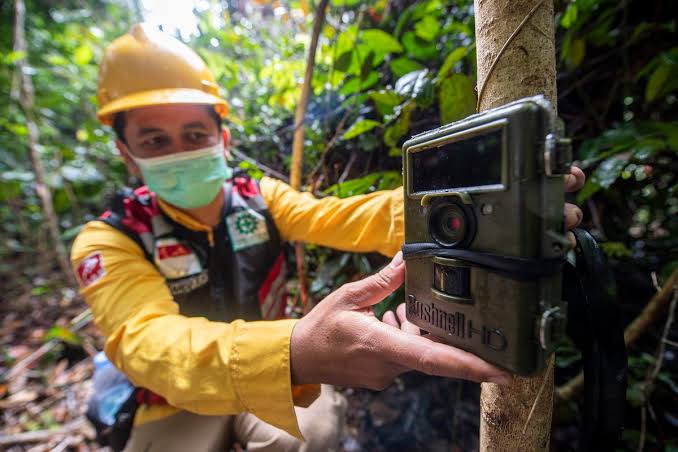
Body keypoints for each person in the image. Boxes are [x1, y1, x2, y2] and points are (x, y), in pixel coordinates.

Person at [71, 24, 585, 452]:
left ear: (221, 139)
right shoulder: (109, 240)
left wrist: (468, 212)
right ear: (127, 152)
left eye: (194, 134)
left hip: (275, 380)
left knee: (308, 438)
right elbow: (148, 344)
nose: (179, 150)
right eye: (155, 140)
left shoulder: (261, 200)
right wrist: (296, 349)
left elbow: (343, 218)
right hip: (173, 401)